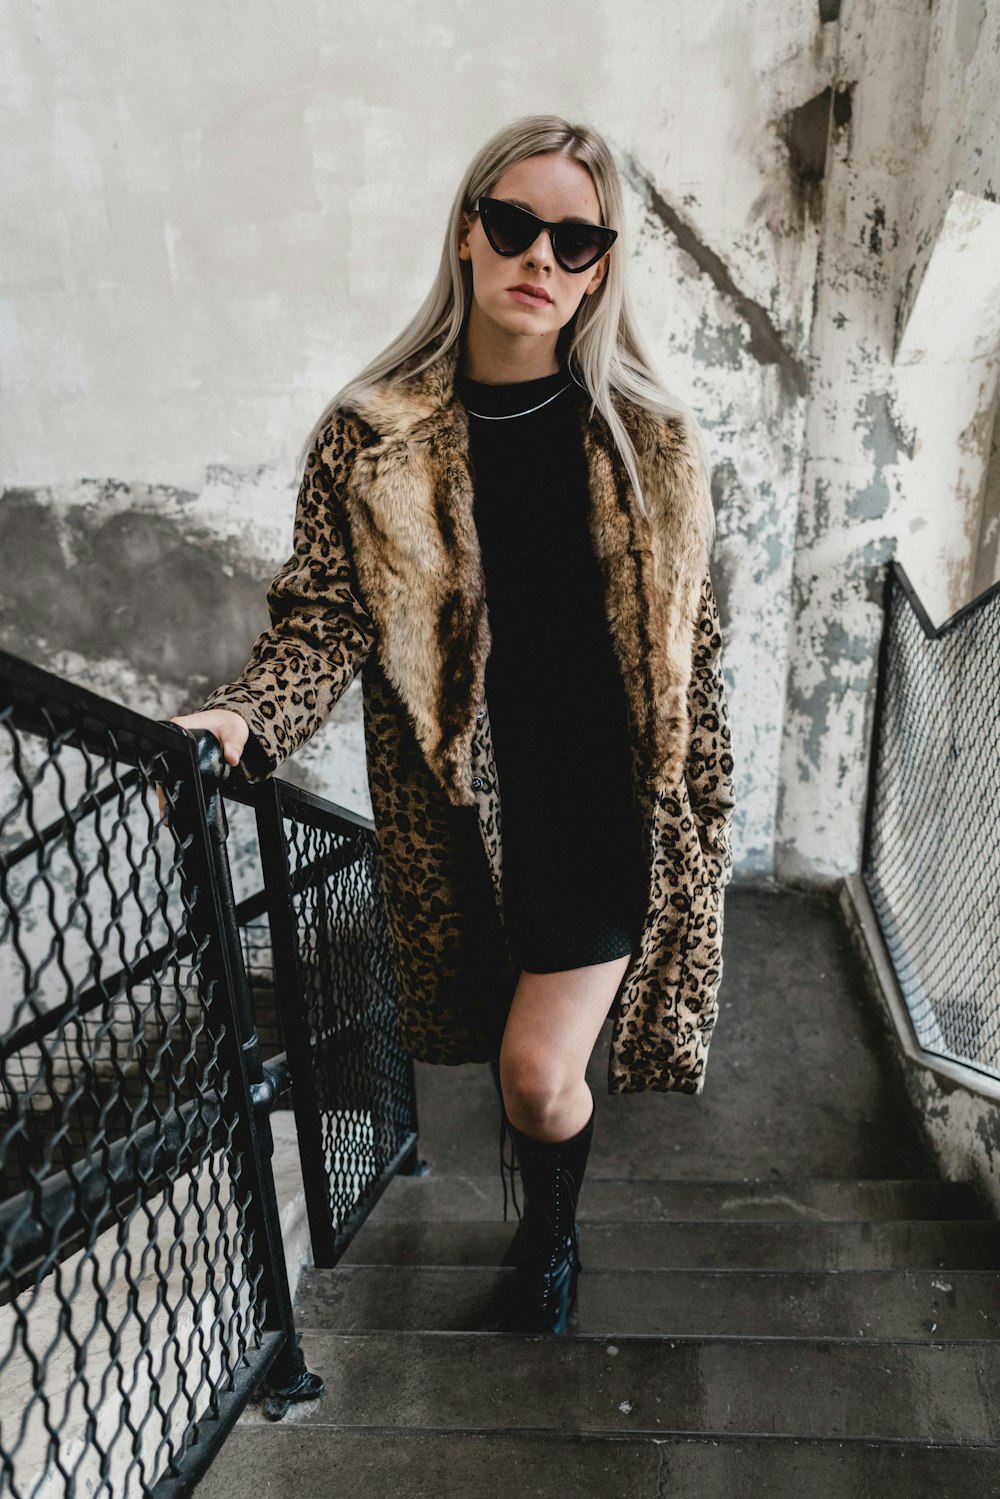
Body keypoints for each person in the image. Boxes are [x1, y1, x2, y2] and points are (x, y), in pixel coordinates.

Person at [168, 114, 737, 1336]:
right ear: (468, 233)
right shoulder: (372, 438)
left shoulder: (654, 443)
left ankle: (549, 1233)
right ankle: (541, 1197)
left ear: (601, 266)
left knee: (538, 1071)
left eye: (577, 238)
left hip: (603, 805)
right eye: (518, 224)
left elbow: (703, 654)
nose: (544, 254)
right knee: (507, 1043)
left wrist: (703, 820)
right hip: (466, 810)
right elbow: (322, 615)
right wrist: (242, 714)